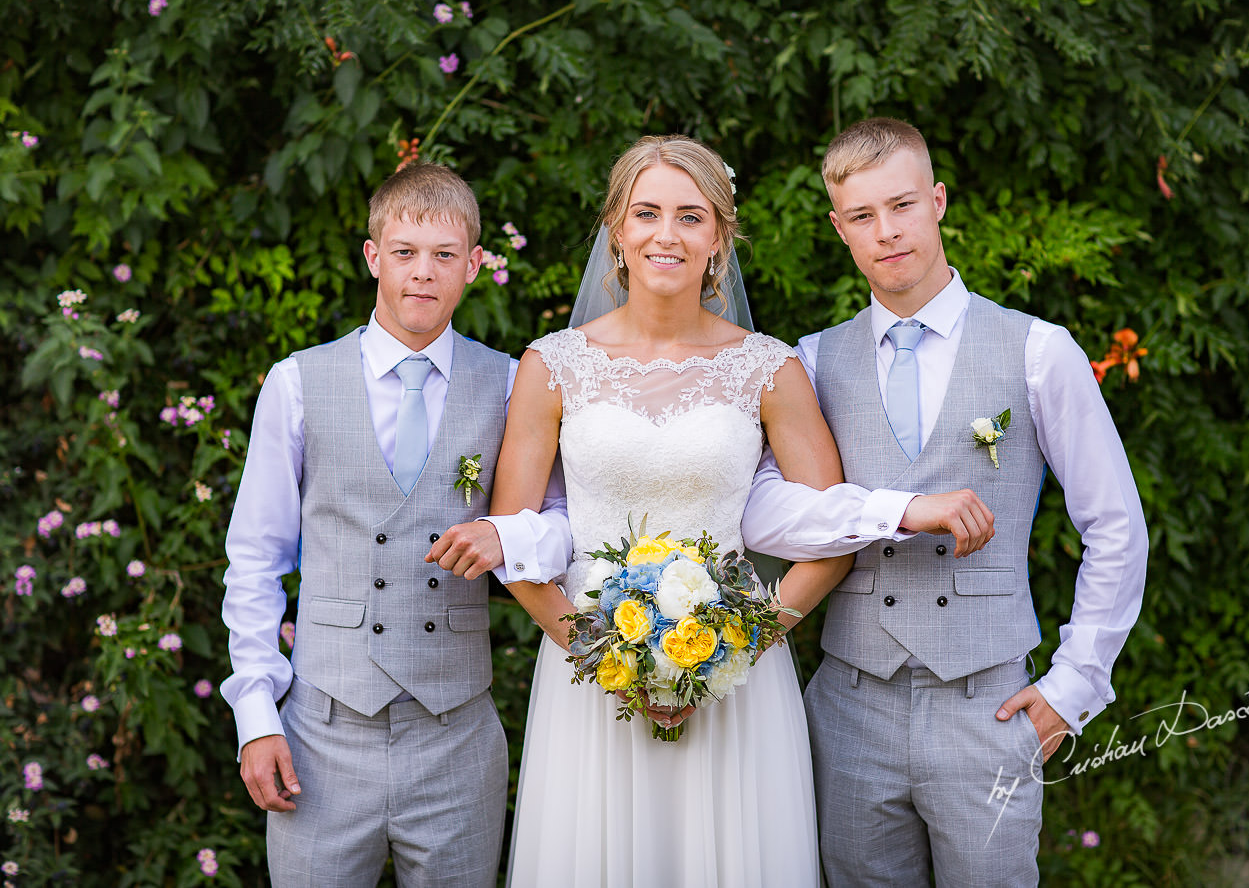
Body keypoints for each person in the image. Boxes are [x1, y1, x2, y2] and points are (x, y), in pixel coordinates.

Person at [489, 135, 991, 887]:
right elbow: (512, 544)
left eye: (691, 217)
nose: (668, 234)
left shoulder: (769, 367)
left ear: (720, 236)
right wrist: (610, 665)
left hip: (736, 682)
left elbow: (833, 534)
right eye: (647, 213)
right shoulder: (550, 366)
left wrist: (740, 649)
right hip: (589, 676)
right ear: (616, 233)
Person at [788, 117, 1149, 886]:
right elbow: (773, 512)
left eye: (903, 205)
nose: (886, 232)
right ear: (839, 229)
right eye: (862, 216)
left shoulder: (1036, 349)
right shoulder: (810, 363)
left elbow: (1114, 525)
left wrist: (1073, 687)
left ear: (939, 201)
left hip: (989, 706)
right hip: (849, 709)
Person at [220, 163, 570, 887]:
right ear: (374, 256)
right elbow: (256, 558)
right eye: (405, 252)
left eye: (444, 255)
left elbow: (565, 519)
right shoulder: (297, 382)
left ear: (474, 265)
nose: (423, 273)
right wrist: (257, 715)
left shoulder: (510, 384)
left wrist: (513, 536)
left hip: (458, 735)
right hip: (320, 732)